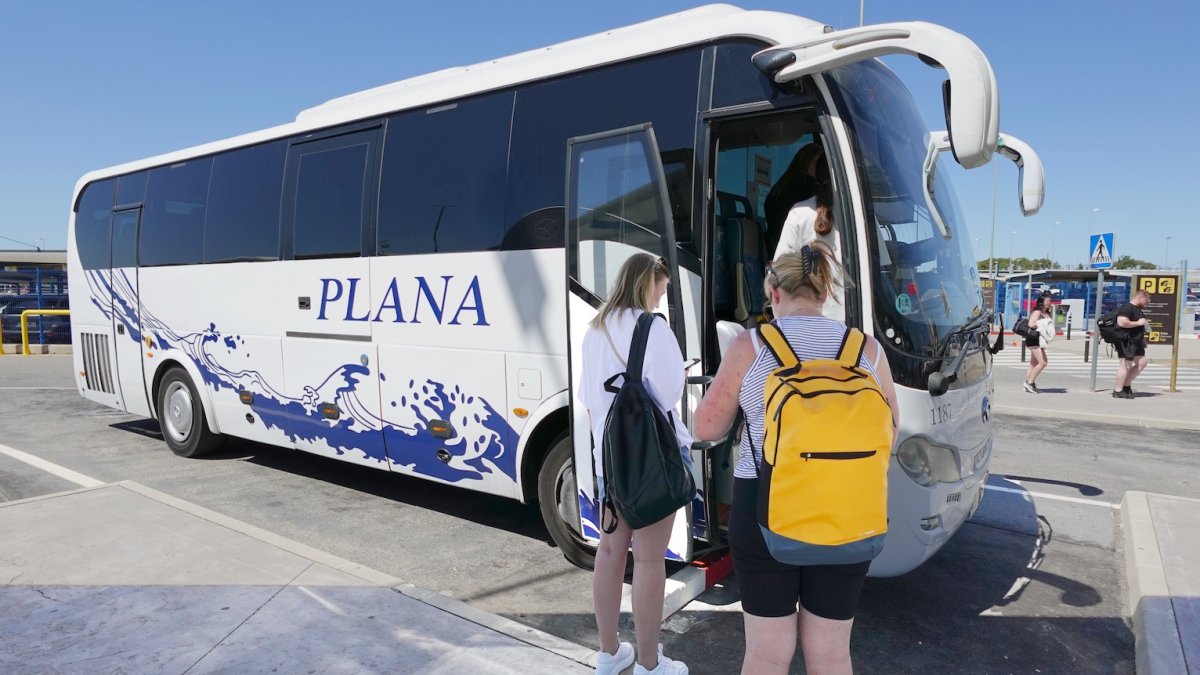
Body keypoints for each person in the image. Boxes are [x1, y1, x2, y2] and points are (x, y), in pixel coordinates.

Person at [692, 243, 899, 675]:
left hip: (765, 507)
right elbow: (890, 433)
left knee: (768, 653)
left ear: (774, 294)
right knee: (831, 653)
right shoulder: (867, 350)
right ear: (825, 294)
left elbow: (706, 428)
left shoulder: (752, 345)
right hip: (849, 511)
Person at [579, 253, 690, 675]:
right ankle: (648, 664)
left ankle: (609, 655)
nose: (659, 301)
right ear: (646, 284)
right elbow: (670, 391)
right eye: (659, 291)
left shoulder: (595, 330)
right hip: (651, 460)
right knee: (648, 559)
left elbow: (591, 400)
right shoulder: (653, 328)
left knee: (609, 551)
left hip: (608, 461)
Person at [771, 145, 843, 321]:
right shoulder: (857, 212)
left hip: (810, 316)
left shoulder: (799, 210)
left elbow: (779, 272)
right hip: (847, 321)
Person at [1112, 289, 1151, 399]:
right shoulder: (1127, 308)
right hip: (1126, 341)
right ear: (1140, 297)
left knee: (1142, 362)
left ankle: (1126, 385)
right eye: (1146, 301)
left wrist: (1142, 340)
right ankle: (1118, 390)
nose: (1147, 304)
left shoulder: (1137, 309)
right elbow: (1122, 322)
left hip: (1136, 342)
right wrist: (1138, 323)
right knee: (1125, 365)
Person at [1022, 292, 1053, 393]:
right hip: (1034, 339)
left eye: (1049, 301)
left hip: (1041, 340)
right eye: (1047, 301)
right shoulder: (1037, 312)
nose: (1049, 303)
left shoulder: (1047, 313)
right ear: (1042, 302)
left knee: (1033, 364)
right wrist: (1042, 324)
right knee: (1043, 362)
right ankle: (1029, 383)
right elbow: (1031, 324)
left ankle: (1029, 383)